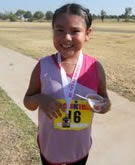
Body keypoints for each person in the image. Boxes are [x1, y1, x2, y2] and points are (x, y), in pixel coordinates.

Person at [23, 3, 111, 165]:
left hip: (80, 148)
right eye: (60, 30)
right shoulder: (43, 66)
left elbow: (106, 102)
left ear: (87, 33)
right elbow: (28, 101)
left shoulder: (95, 68)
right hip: (50, 147)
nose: (66, 38)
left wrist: (102, 105)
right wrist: (41, 99)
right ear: (53, 31)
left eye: (75, 31)